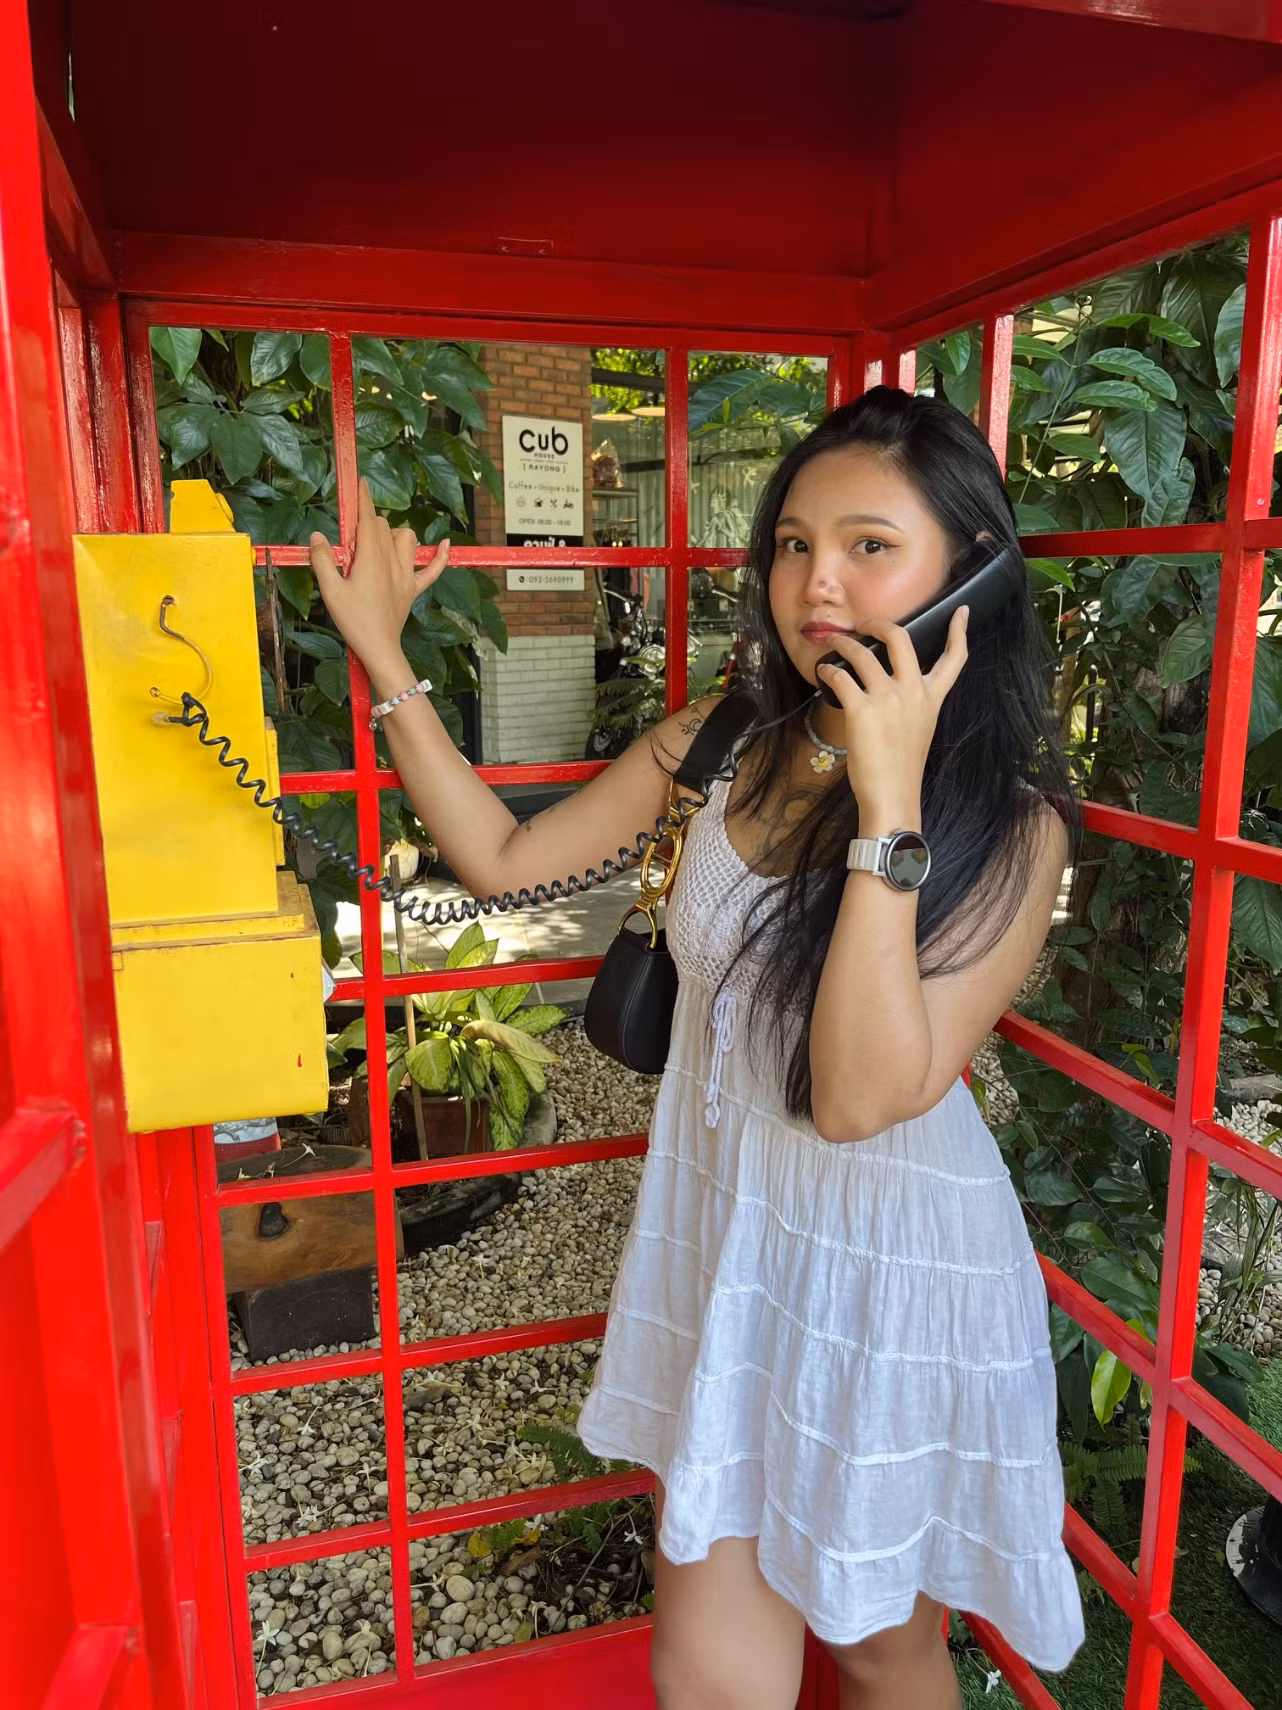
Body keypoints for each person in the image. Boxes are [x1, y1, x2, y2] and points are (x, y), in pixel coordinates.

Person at [310, 385, 1086, 1709]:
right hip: (730, 1243)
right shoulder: (722, 746)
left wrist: (887, 800)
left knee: (880, 1647)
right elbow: (501, 857)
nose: (817, 582)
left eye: (868, 545)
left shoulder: (1008, 827)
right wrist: (384, 653)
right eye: (792, 543)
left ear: (972, 573)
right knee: (710, 1671)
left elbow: (856, 1098)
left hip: (889, 1270)